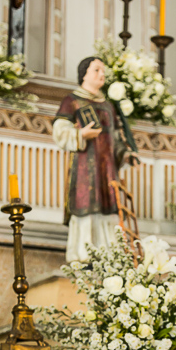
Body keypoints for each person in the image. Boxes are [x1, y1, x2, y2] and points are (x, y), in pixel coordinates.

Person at [53, 56, 138, 263]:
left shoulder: (108, 105)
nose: (102, 74)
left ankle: (110, 256)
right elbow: (59, 130)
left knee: (108, 205)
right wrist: (81, 135)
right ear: (84, 74)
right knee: (86, 204)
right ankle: (83, 255)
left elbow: (116, 138)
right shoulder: (72, 100)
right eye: (97, 70)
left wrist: (125, 154)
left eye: (103, 71)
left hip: (107, 167)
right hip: (84, 166)